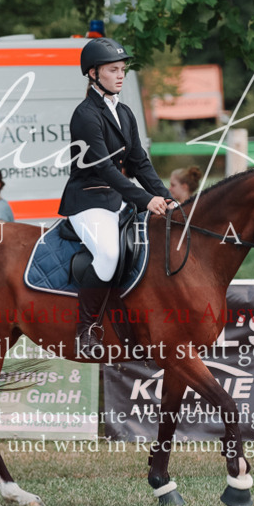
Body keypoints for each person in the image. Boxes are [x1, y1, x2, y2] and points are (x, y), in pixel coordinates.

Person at [58, 37, 175, 356]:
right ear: (93, 74)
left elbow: (139, 162)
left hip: (118, 199)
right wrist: (145, 200)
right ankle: (87, 330)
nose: (121, 75)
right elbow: (106, 169)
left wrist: (167, 197)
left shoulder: (124, 112)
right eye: (113, 70)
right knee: (108, 254)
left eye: (123, 69)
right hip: (88, 200)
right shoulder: (85, 115)